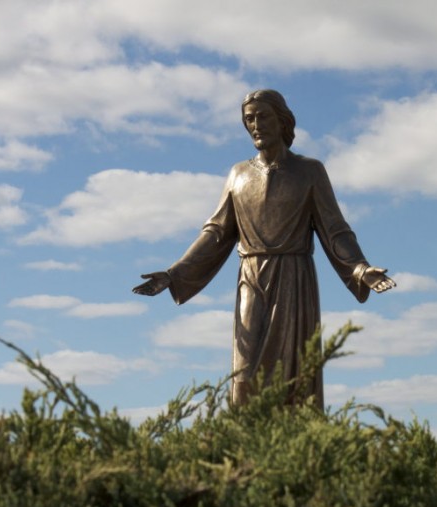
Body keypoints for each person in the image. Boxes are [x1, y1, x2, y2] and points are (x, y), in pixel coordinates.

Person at [133, 89, 395, 409]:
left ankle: (295, 446)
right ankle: (246, 444)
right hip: (251, 278)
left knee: (291, 373)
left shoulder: (310, 171)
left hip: (293, 280)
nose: (255, 124)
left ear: (282, 120)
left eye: (262, 116)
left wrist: (360, 269)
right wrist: (175, 273)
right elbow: (216, 232)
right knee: (246, 370)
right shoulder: (238, 174)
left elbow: (335, 229)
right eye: (249, 119)